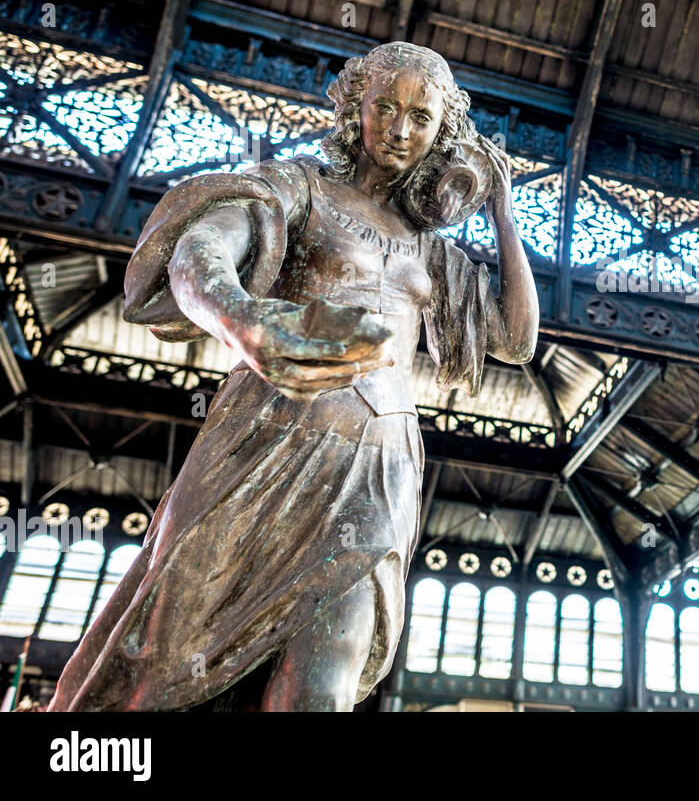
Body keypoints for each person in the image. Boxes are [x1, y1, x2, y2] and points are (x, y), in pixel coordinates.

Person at [47, 42, 538, 711]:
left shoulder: (432, 248)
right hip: (266, 439)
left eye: (420, 118)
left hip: (377, 465)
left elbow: (516, 337)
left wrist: (504, 213)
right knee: (164, 663)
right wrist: (244, 317)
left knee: (320, 689)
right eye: (385, 107)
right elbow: (201, 247)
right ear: (354, 109)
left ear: (441, 134)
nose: (399, 129)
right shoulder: (301, 187)